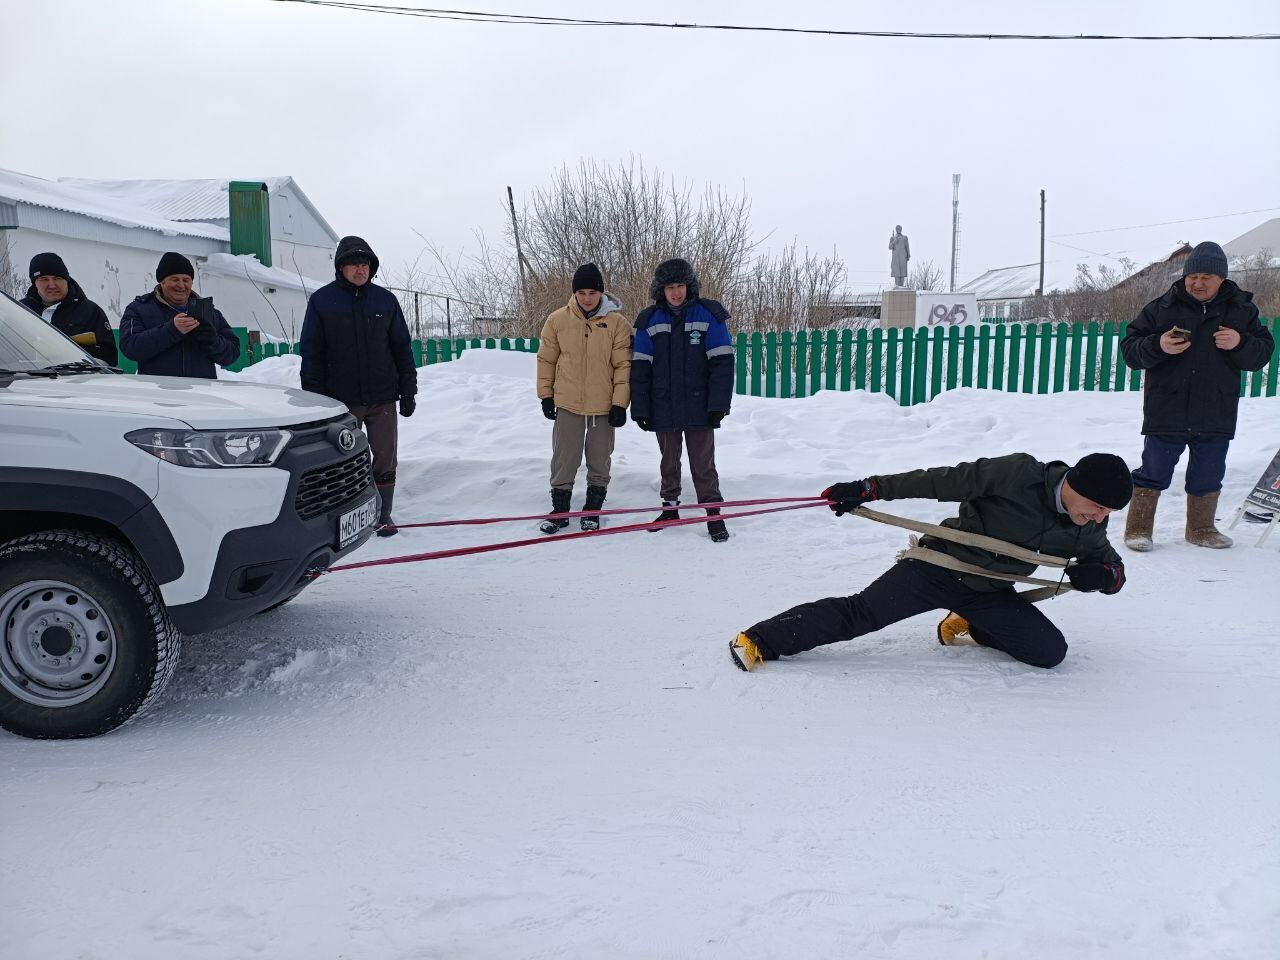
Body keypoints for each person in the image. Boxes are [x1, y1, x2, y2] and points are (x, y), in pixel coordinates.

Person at [730, 452, 1133, 672]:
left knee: (1049, 653)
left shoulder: (1088, 526)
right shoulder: (1019, 475)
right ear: (1074, 486)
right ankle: (760, 639)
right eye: (1096, 506)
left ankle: (971, 623)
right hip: (937, 566)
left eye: (1108, 513)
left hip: (990, 590)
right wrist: (870, 489)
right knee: (863, 613)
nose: (1099, 517)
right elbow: (940, 480)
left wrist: (1103, 576)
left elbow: (1114, 570)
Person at [1119, 241, 1275, 551]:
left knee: (1209, 472)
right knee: (1154, 470)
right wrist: (1157, 345)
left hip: (1215, 408)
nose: (1197, 283)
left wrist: (1240, 342)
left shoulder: (1241, 311)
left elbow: (1261, 356)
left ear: (1221, 278)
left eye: (1206, 276)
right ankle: (1138, 529)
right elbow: (1130, 351)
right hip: (1168, 407)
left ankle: (1201, 529)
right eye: (1193, 276)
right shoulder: (1161, 307)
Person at [300, 235, 417, 537]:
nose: (360, 269)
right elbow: (312, 352)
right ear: (341, 267)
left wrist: (408, 390)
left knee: (385, 457)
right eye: (353, 264)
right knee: (342, 459)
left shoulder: (385, 301)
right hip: (341, 401)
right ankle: (342, 516)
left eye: (364, 264)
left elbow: (402, 348)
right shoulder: (323, 301)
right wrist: (314, 401)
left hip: (382, 398)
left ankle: (383, 514)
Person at [630, 258, 734, 543]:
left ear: (690, 287)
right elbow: (640, 368)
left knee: (703, 463)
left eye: (680, 286)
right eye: (670, 287)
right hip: (663, 404)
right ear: (660, 290)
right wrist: (640, 408)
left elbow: (722, 364)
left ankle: (713, 512)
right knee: (668, 459)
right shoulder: (649, 320)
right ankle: (670, 508)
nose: (676, 292)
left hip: (700, 405)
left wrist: (718, 405)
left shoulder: (709, 314)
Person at [535, 263, 632, 534]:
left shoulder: (617, 323)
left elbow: (623, 366)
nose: (587, 298)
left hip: (603, 405)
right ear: (574, 293)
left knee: (600, 458)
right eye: (581, 292)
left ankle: (592, 510)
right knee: (565, 457)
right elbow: (546, 360)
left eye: (592, 292)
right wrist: (546, 395)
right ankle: (560, 511)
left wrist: (619, 403)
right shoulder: (557, 320)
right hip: (568, 402)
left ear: (601, 292)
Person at [119, 252, 240, 378]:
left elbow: (232, 355)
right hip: (158, 392)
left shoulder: (209, 312)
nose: (181, 285)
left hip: (202, 393)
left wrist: (212, 341)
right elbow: (130, 348)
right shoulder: (139, 309)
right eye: (175, 279)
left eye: (186, 280)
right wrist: (171, 330)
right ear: (162, 281)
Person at [20, 252, 118, 366]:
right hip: (26, 379)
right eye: (44, 279)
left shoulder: (90, 311)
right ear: (34, 283)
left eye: (57, 278)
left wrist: (71, 352)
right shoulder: (20, 310)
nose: (52, 285)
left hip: (75, 380)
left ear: (66, 280)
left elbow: (110, 358)